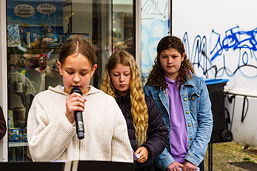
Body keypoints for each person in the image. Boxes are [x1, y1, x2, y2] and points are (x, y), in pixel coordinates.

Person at [27, 35, 133, 162]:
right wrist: (66, 119)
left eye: (83, 73)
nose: (76, 79)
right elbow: (39, 155)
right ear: (60, 68)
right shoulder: (43, 101)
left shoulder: (107, 103)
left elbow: (122, 157)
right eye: (70, 72)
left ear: (93, 70)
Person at [144, 36, 213, 171]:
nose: (169, 61)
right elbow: (148, 129)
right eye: (164, 57)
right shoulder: (150, 89)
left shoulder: (198, 85)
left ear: (182, 57)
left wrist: (192, 159)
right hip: (164, 162)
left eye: (174, 56)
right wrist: (166, 161)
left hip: (193, 162)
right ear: (158, 58)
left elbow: (206, 122)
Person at [101, 50, 168, 171]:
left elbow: (160, 133)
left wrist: (148, 149)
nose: (122, 79)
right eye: (116, 75)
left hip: (141, 167)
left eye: (126, 74)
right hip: (111, 166)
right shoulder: (101, 102)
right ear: (109, 76)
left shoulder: (146, 102)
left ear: (134, 74)